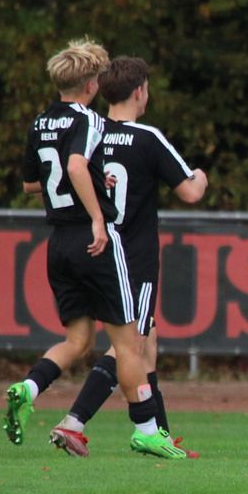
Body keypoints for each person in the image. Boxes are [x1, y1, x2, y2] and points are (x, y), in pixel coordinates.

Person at [10, 38, 183, 459]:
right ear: (91, 85)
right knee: (129, 343)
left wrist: (87, 178)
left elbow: (33, 182)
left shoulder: (40, 122)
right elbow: (72, 165)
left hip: (57, 242)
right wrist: (96, 217)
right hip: (97, 242)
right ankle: (145, 428)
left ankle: (29, 387)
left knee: (80, 339)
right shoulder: (89, 120)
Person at [48, 56, 209, 458]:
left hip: (89, 248)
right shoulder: (147, 137)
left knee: (144, 345)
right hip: (130, 257)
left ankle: (160, 435)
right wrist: (201, 175)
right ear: (140, 91)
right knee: (129, 346)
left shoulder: (90, 133)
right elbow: (190, 192)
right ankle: (74, 422)